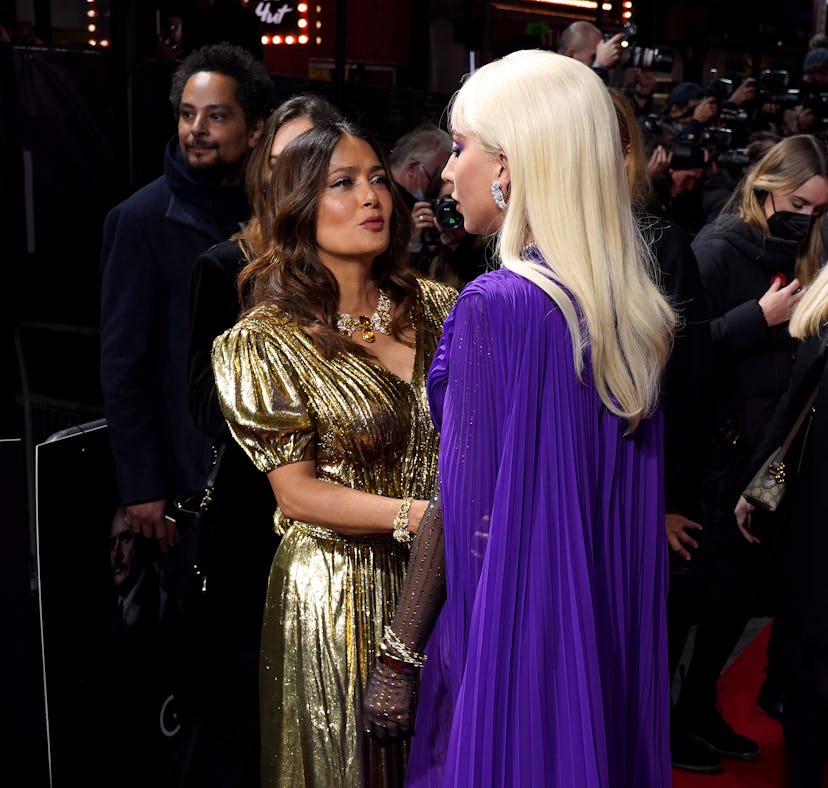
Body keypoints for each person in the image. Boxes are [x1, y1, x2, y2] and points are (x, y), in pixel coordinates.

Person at [363, 49, 676, 786]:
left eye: (461, 147)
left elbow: (462, 505)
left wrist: (398, 656)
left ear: (508, 165)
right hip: (600, 630)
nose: (447, 171)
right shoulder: (626, 309)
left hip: (514, 636)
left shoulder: (497, 307)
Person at [210, 121, 457, 786]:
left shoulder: (443, 308)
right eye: (342, 184)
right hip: (337, 591)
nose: (371, 197)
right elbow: (296, 493)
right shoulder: (266, 340)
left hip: (447, 581)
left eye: (377, 179)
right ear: (298, 207)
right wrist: (420, 518)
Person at [181, 93, 345, 788]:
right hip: (256, 521)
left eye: (315, 161)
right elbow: (201, 401)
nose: (293, 177)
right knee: (242, 719)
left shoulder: (361, 269)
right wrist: (294, 409)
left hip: (346, 524)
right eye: (281, 161)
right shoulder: (228, 266)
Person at [671, 134, 828, 767]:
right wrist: (755, 318)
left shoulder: (804, 254)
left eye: (819, 209)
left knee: (736, 599)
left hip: (764, 456)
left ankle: (699, 707)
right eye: (799, 204)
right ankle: (676, 720)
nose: (808, 219)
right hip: (715, 456)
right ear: (765, 191)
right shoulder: (715, 250)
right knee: (705, 597)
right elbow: (678, 353)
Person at [100, 43, 276, 552]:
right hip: (187, 474)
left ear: (255, 129)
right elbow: (124, 366)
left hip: (270, 468)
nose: (196, 129)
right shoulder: (140, 220)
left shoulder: (277, 213)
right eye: (187, 114)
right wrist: (141, 485)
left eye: (215, 116)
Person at [611, 88, 719, 773]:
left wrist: (666, 502)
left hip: (640, 497)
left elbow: (686, 387)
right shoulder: (520, 246)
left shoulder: (656, 242)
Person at [734, 262, 828, 788]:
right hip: (809, 523)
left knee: (804, 663)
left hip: (806, 529)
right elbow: (794, 418)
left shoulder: (819, 319)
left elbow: (792, 415)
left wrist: (758, 485)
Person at [558, 19, 625, 84]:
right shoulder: (556, 79)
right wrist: (599, 67)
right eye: (594, 56)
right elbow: (586, 91)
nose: (602, 58)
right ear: (571, 56)